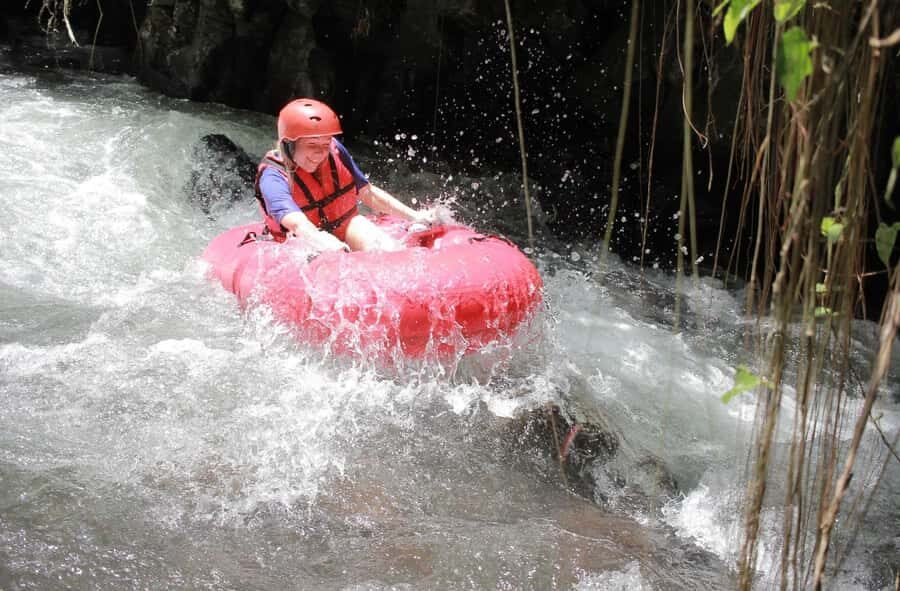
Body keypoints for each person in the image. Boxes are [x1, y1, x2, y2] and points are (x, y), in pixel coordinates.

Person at [254, 98, 434, 252]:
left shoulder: (334, 150)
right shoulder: (272, 176)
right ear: (288, 145)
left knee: (383, 248)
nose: (320, 153)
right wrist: (321, 240)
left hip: (344, 225)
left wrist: (414, 216)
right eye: (311, 145)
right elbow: (296, 223)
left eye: (324, 145)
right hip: (299, 241)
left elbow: (366, 192)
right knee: (323, 255)